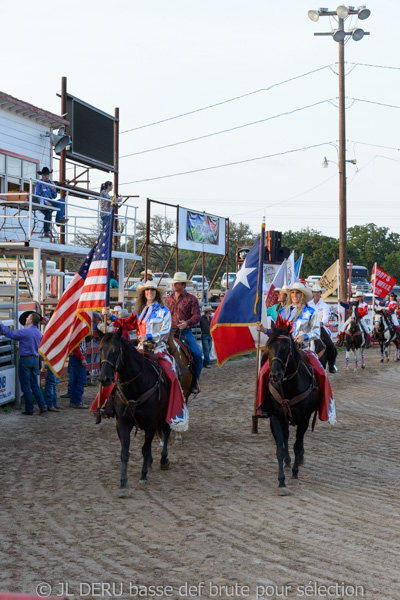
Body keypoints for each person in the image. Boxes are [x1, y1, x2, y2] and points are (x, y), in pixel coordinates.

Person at [96, 280, 188, 431]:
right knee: (119, 368)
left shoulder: (164, 311)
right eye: (147, 290)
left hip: (158, 349)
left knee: (171, 374)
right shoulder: (140, 312)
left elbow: (165, 332)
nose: (149, 292)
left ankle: (173, 410)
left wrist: (149, 336)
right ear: (144, 294)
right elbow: (125, 324)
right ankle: (109, 404)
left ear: (156, 293)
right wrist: (111, 317)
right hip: (140, 350)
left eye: (152, 290)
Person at [256, 282, 335, 423]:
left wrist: (304, 336)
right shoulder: (283, 312)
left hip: (302, 349)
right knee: (263, 372)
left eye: (297, 293)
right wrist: (265, 331)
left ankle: (323, 407)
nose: (295, 296)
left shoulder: (311, 312)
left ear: (303, 295)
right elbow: (277, 332)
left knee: (322, 373)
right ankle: (263, 406)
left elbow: (316, 332)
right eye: (292, 293)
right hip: (284, 350)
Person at [0, 311, 48, 415]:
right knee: (34, 384)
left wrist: (1, 324)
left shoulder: (25, 332)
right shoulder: (38, 332)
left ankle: (29, 408)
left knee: (26, 385)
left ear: (30, 320)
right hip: (35, 359)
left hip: (25, 359)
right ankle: (42, 404)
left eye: (28, 318)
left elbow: (9, 334)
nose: (26, 319)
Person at [164, 272, 202, 394]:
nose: (175, 285)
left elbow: (197, 316)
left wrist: (187, 323)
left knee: (197, 354)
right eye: (175, 283)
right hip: (168, 332)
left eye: (178, 283)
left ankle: (195, 380)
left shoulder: (191, 299)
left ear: (184, 285)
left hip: (185, 332)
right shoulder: (167, 299)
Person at [308, 284, 338, 373]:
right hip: (308, 327)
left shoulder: (324, 305)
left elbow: (326, 317)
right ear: (312, 293)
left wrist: (321, 323)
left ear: (320, 293)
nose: (316, 294)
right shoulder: (308, 304)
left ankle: (331, 365)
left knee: (331, 346)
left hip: (319, 327)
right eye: (314, 292)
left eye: (318, 292)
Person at [34, 167, 67, 236]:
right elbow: (37, 195)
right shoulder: (39, 183)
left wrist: (53, 189)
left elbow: (54, 196)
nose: (46, 176)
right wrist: (46, 202)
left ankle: (58, 220)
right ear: (42, 175)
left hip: (50, 201)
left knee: (62, 201)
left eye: (47, 174)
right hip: (42, 202)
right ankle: (46, 231)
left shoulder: (51, 183)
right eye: (45, 175)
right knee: (48, 212)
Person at [68, 338, 88, 408]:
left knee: (76, 380)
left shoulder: (76, 333)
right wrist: (82, 358)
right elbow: (76, 347)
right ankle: (77, 401)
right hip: (77, 358)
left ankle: (74, 401)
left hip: (75, 357)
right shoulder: (78, 334)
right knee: (80, 379)